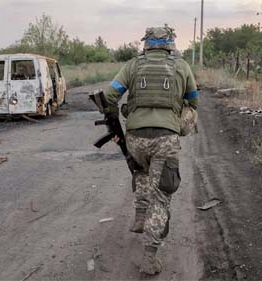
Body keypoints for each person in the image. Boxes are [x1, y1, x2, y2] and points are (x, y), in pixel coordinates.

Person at [103, 25, 199, 274]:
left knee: (142, 171)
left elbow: (110, 95)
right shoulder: (181, 66)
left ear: (146, 43)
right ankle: (149, 256)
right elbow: (194, 101)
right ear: (170, 43)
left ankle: (140, 216)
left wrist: (115, 124)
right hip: (165, 139)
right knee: (162, 197)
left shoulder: (133, 65)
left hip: (136, 138)